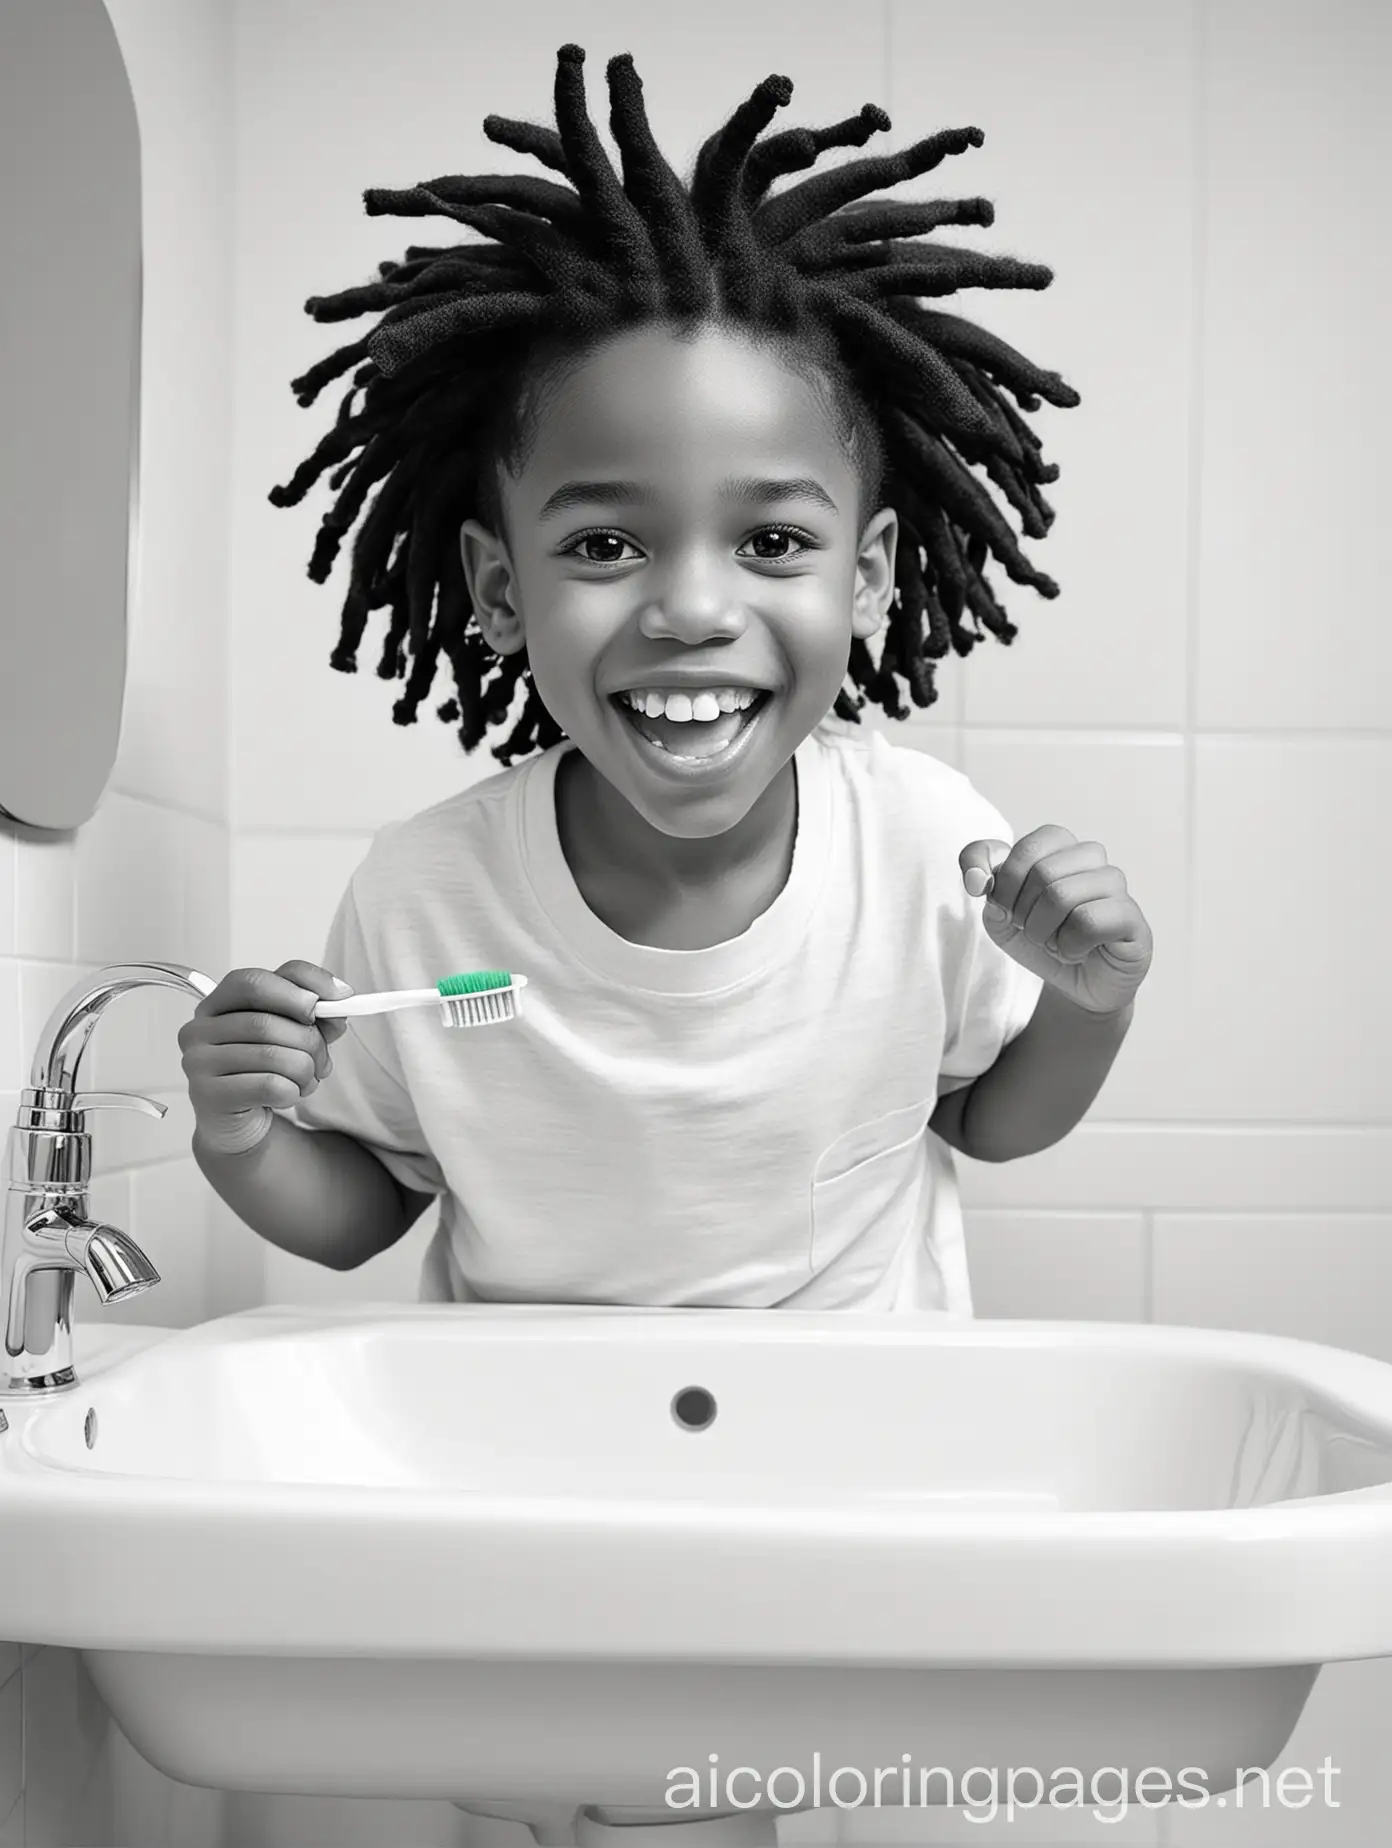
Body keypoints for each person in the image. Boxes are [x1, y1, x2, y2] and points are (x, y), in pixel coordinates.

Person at [181, 45, 1153, 1841]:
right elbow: (371, 1204)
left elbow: (990, 1120)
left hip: (844, 1490)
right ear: (496, 590)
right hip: (527, 1499)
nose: (692, 607)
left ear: (863, 579)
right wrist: (247, 1139)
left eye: (772, 538)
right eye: (608, 538)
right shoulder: (426, 889)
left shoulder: (927, 840)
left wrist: (1088, 1002)